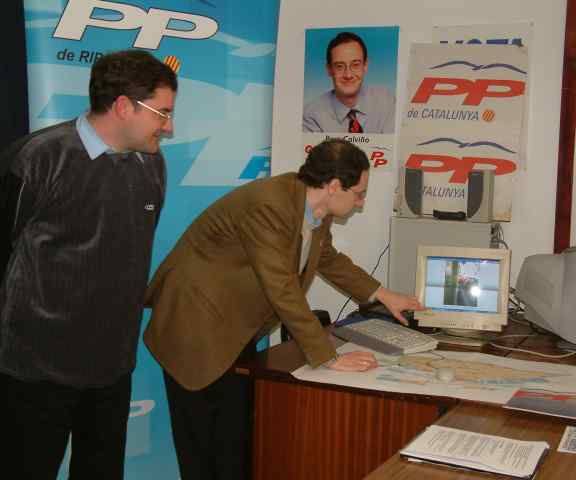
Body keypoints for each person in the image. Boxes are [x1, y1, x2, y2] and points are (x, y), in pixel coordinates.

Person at [143, 138, 424, 479]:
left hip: (231, 328)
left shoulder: (312, 208)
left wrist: (383, 295)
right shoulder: (269, 205)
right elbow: (282, 288)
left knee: (235, 448)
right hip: (194, 326)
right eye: (359, 193)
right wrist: (328, 356)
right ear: (334, 186)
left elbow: (328, 259)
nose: (361, 202)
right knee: (204, 449)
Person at [0, 49, 177, 479]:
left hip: (111, 368)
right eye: (162, 113)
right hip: (35, 370)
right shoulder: (38, 158)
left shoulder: (152, 165)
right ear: (123, 106)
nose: (169, 127)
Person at [303, 31, 395, 134]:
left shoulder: (387, 102)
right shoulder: (311, 116)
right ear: (329, 69)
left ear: (365, 65)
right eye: (339, 66)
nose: (348, 75)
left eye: (355, 65)